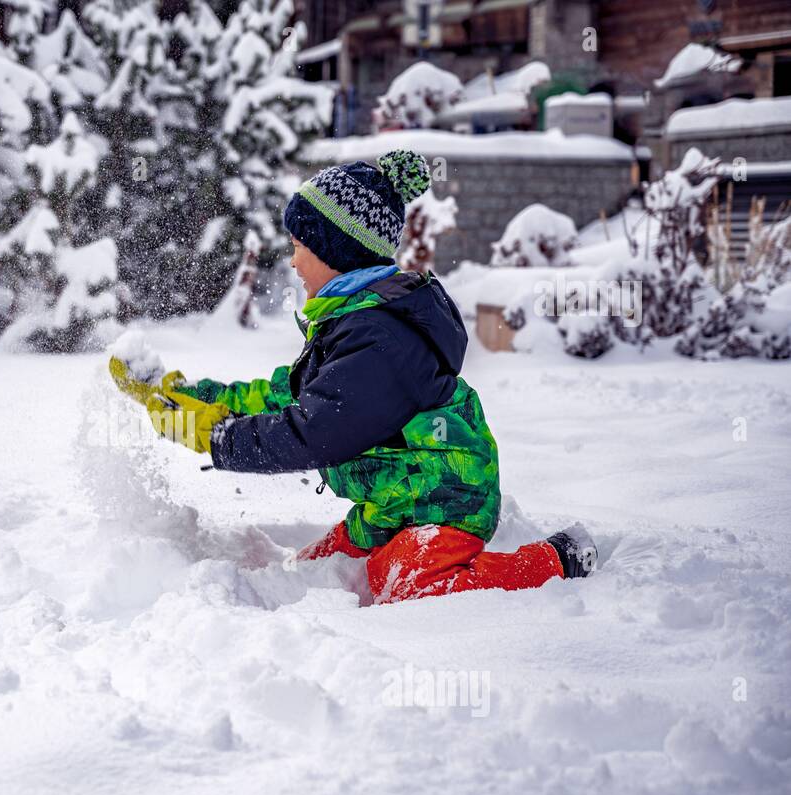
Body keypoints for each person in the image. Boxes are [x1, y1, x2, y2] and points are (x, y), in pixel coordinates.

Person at [110, 149, 595, 603]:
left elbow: (314, 433)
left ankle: (556, 560)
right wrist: (185, 395)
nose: (293, 261)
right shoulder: (351, 322)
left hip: (445, 503)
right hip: (390, 507)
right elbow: (283, 395)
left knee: (408, 583)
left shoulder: (381, 338)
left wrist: (217, 436)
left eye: (299, 247)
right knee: (313, 569)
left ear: (336, 251)